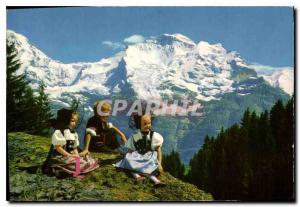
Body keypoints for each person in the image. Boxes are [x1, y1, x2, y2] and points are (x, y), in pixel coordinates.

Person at [114, 110, 165, 187]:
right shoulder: (136, 136)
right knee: (129, 161)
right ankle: (137, 177)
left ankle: (156, 181)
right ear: (139, 125)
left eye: (149, 123)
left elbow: (158, 150)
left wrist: (159, 164)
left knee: (149, 167)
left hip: (148, 156)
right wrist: (127, 154)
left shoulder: (154, 136)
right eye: (145, 124)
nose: (148, 125)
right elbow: (131, 148)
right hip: (137, 155)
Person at [43, 108, 99, 178]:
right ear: (65, 120)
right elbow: (58, 147)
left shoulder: (73, 133)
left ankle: (76, 173)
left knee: (81, 160)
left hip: (70, 155)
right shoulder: (59, 132)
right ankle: (60, 170)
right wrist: (69, 155)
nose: (74, 124)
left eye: (75, 121)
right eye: (72, 121)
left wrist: (76, 155)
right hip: (60, 156)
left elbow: (74, 147)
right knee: (71, 162)